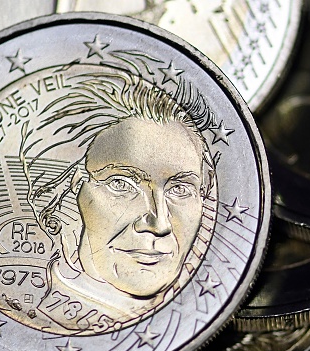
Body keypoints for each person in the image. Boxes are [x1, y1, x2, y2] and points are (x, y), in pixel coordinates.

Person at [20, 69, 216, 334]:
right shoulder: (41, 325)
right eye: (121, 184)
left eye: (180, 188)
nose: (159, 223)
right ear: (65, 194)